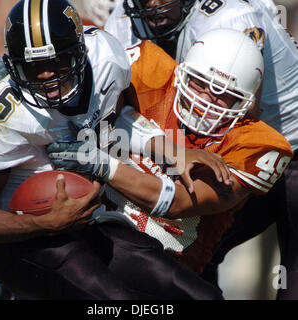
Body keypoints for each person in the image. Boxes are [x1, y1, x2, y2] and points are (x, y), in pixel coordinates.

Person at [0, 0, 228, 300]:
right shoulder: (3, 113)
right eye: (33, 68)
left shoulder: (106, 59)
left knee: (201, 296)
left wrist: (172, 152)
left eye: (58, 62)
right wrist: (44, 223)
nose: (47, 77)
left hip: (90, 219)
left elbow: (115, 122)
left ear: (80, 51)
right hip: (24, 241)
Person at [47, 29, 293, 278]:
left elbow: (175, 203)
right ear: (182, 73)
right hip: (92, 229)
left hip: (169, 267)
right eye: (199, 82)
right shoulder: (150, 71)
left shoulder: (254, 145)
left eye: (222, 93)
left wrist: (101, 164)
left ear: (244, 103)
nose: (205, 100)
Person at [105, 0, 298, 298]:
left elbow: (242, 106)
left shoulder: (231, 17)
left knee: (289, 270)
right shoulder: (125, 20)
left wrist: (100, 163)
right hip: (193, 140)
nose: (153, 4)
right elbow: (101, 107)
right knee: (191, 254)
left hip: (271, 144)